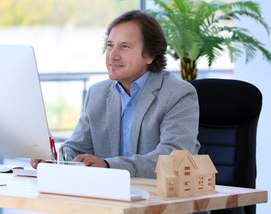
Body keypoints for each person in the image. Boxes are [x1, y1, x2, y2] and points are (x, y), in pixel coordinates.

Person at [31, 10, 200, 178]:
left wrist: (108, 165)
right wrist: (55, 159)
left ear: (150, 55)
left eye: (124, 46)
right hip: (110, 194)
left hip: (163, 197)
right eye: (110, 45)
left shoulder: (178, 94)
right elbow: (77, 147)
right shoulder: (97, 93)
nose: (113, 55)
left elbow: (172, 158)